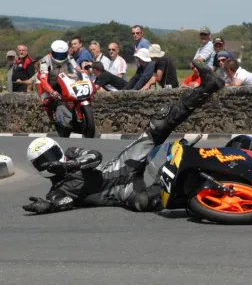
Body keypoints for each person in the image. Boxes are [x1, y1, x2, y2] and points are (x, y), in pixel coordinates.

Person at [22, 61, 225, 215]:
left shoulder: (71, 153)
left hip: (122, 164)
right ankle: (210, 195)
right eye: (44, 160)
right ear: (39, 168)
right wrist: (47, 206)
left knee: (159, 125)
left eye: (52, 154)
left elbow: (95, 156)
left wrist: (69, 165)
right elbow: (63, 203)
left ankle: (208, 86)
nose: (51, 161)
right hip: (123, 192)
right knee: (149, 202)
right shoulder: (55, 193)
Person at [37, 40, 80, 119]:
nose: (59, 57)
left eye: (62, 55)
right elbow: (43, 80)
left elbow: (78, 70)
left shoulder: (69, 57)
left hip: (63, 82)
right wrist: (52, 92)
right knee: (46, 102)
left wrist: (78, 75)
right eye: (57, 55)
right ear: (52, 52)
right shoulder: (45, 60)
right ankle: (52, 117)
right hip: (47, 84)